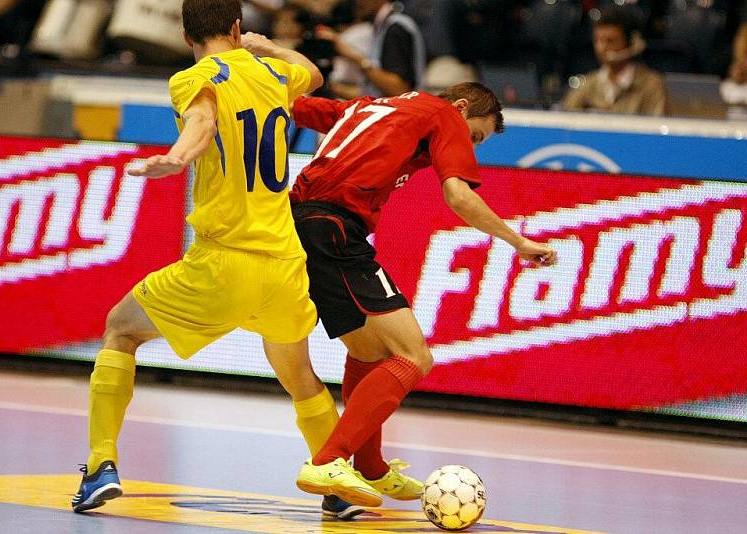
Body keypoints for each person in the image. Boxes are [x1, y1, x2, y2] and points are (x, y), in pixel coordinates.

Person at [71, 0, 377, 517]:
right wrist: (269, 46)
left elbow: (203, 121)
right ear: (238, 28)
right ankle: (336, 482)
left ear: (187, 35)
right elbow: (314, 73)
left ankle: (101, 464)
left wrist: (179, 157)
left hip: (225, 259)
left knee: (120, 329)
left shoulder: (192, 77)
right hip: (283, 262)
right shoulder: (271, 72)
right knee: (299, 374)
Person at [289, 83, 558, 505]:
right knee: (414, 356)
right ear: (462, 107)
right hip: (336, 226)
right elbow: (458, 196)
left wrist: (265, 56)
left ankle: (369, 470)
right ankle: (328, 461)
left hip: (302, 222)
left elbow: (293, 106)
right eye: (474, 137)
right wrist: (517, 242)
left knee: (368, 353)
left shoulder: (371, 107)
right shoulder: (443, 114)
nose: (467, 145)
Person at [561, 8, 666, 116]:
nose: (601, 48)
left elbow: (656, 127)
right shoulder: (589, 83)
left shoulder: (651, 85)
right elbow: (565, 120)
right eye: (598, 40)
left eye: (610, 41)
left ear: (631, 43)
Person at [317, 0, 426, 98]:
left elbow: (399, 90)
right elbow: (373, 94)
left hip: (403, 114)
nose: (357, 2)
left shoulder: (396, 27)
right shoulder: (381, 26)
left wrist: (353, 57)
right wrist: (332, 88)